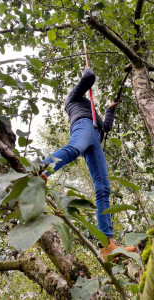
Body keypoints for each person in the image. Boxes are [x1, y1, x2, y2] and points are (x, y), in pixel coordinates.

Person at [42, 68, 137, 260]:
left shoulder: (91, 107)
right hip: (82, 125)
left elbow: (107, 127)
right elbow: (89, 78)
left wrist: (110, 110)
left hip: (95, 137)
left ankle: (107, 245)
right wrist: (87, 71)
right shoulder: (72, 100)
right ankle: (39, 171)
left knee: (103, 187)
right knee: (74, 148)